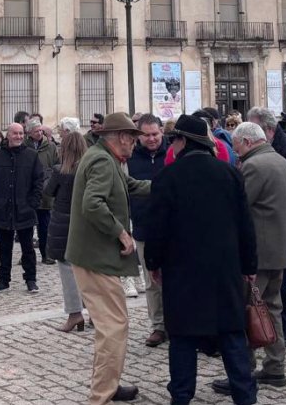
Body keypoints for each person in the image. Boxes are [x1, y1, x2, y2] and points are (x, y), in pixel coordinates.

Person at [146, 115, 257, 405]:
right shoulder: (230, 174)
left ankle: (181, 396)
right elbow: (246, 226)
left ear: (182, 141)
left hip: (182, 271)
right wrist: (250, 267)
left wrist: (153, 262)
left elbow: (156, 228)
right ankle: (245, 395)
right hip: (224, 269)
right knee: (232, 334)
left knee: (182, 337)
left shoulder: (167, 177)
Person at [68, 112, 152, 404]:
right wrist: (122, 233)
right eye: (132, 138)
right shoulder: (103, 160)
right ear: (120, 137)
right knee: (114, 327)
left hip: (93, 257)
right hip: (96, 258)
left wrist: (166, 187)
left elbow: (127, 188)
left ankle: (108, 384)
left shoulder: (105, 157)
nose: (135, 144)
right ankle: (101, 396)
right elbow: (92, 204)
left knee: (110, 326)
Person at [211, 122, 286, 396]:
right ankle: (275, 365)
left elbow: (239, 205)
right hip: (279, 249)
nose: (235, 153)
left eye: (236, 147)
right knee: (272, 308)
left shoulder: (255, 166)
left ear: (246, 141)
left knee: (247, 310)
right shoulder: (279, 160)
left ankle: (243, 372)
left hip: (258, 252)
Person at [247, 106, 286, 347]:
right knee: (273, 299)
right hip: (279, 232)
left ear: (268, 130)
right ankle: (275, 355)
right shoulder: (273, 153)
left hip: (283, 230)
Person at [0, 122, 45, 295]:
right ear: (8, 135)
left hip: (25, 209)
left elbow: (38, 181)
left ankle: (31, 280)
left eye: (21, 133)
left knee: (27, 248)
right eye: (15, 133)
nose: (18, 136)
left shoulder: (31, 156)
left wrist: (33, 202)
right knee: (4, 247)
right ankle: (3, 280)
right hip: (2, 210)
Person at [127, 114, 169, 347]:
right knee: (152, 281)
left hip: (173, 228)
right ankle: (158, 326)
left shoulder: (172, 154)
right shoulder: (131, 158)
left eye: (155, 134)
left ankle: (178, 323)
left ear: (161, 132)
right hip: (144, 227)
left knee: (174, 278)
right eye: (147, 135)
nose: (152, 139)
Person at [46, 130, 89, 332]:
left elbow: (47, 192)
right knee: (90, 270)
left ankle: (74, 313)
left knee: (67, 269)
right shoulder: (89, 170)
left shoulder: (60, 171)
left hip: (63, 223)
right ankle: (96, 313)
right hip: (86, 222)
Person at [26, 119, 59, 264]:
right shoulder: (24, 146)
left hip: (45, 192)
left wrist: (50, 179)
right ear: (29, 133)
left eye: (41, 130)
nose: (39, 133)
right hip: (28, 191)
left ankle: (46, 254)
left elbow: (57, 165)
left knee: (45, 225)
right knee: (26, 226)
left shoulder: (51, 147)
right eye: (36, 131)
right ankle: (27, 254)